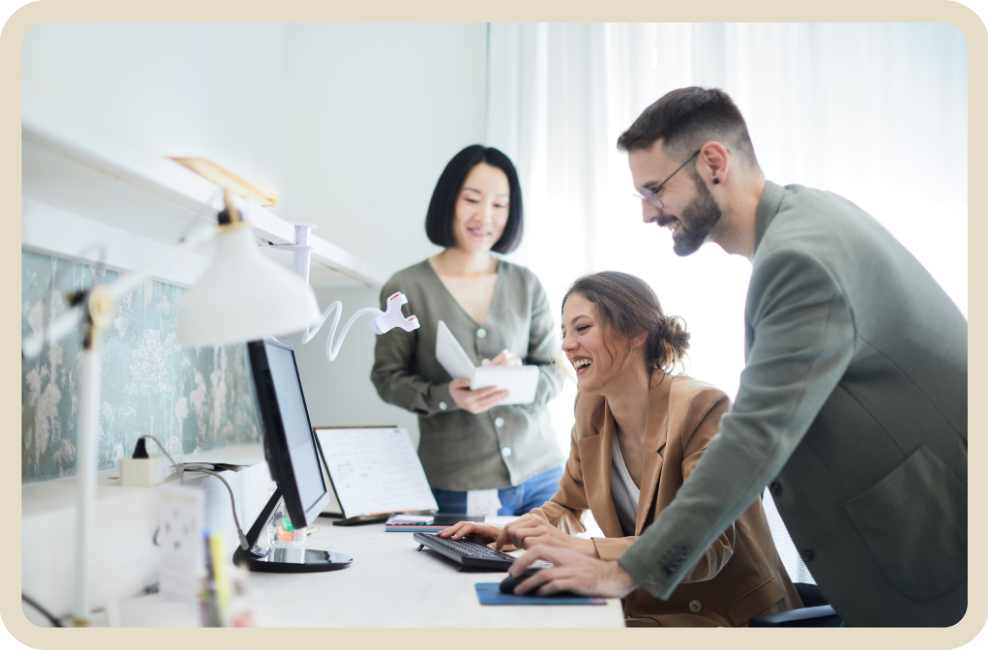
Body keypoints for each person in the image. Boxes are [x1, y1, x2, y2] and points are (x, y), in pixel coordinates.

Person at [507, 87, 967, 628]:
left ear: (713, 163)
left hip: (931, 546)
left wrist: (621, 571)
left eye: (655, 190)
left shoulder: (798, 259)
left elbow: (754, 439)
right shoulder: (800, 226)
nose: (649, 214)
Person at [439, 271, 802, 626]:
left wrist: (579, 547)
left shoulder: (701, 407)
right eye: (564, 333)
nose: (566, 345)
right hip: (645, 606)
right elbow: (567, 503)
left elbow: (709, 548)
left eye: (582, 328)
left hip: (725, 615)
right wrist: (513, 530)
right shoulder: (590, 407)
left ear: (635, 333)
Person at [371, 145, 565, 516]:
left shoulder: (527, 284)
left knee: (549, 573)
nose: (485, 216)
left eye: (499, 204)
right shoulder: (406, 287)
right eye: (472, 199)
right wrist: (446, 396)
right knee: (464, 574)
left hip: (543, 475)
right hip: (459, 484)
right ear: (449, 201)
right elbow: (387, 379)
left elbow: (555, 372)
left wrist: (521, 378)